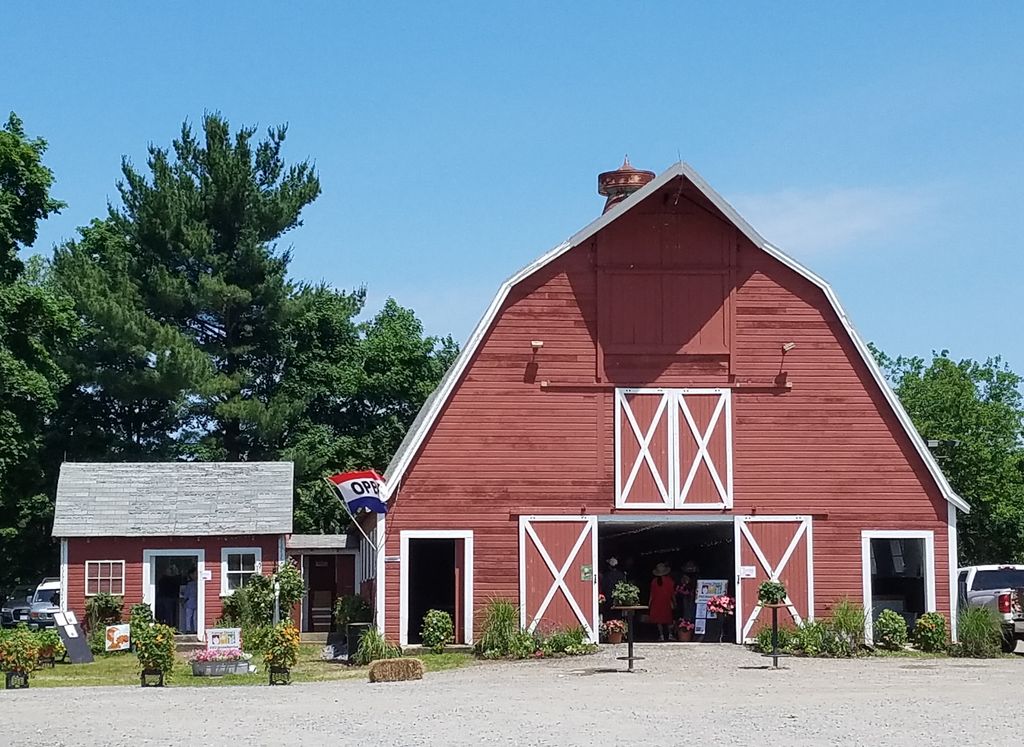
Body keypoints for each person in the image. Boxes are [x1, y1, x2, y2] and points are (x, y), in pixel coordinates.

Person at [649, 562, 675, 641]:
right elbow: (672, 593)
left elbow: (651, 594)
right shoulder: (670, 581)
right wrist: (675, 602)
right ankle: (670, 635)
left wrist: (649, 604)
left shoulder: (654, 581)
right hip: (666, 602)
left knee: (658, 620)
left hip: (656, 603)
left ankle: (661, 636)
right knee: (668, 619)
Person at [181, 569, 197, 634]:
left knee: (189, 617)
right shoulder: (197, 583)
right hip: (195, 602)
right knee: (194, 617)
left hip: (190, 602)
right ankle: (195, 629)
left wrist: (183, 601)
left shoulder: (190, 584)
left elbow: (186, 594)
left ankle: (188, 629)